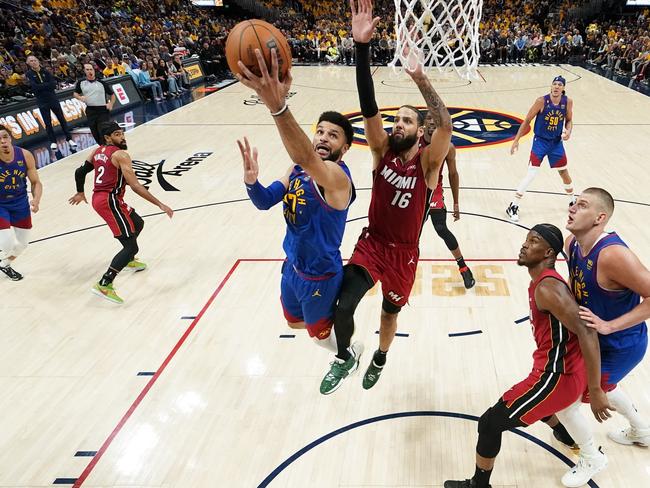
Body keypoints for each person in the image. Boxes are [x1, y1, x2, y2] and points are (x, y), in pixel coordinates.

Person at [319, 0, 453, 395]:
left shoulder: (428, 167)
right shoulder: (382, 152)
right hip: (372, 244)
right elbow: (368, 107)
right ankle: (345, 357)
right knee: (343, 306)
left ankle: (379, 356)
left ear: (419, 131)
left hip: (404, 254)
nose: (397, 125)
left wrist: (419, 77)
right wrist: (361, 49)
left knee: (389, 315)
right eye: (397, 120)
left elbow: (444, 123)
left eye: (406, 120)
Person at [444, 224, 612, 488]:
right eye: (526, 239)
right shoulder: (543, 283)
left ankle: (479, 485)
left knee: (489, 424)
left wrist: (595, 390)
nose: (524, 245)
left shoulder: (548, 288)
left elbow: (587, 334)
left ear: (548, 252)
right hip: (556, 370)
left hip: (558, 376)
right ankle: (566, 436)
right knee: (539, 408)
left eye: (533, 241)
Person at [237, 46, 357, 353]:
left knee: (318, 336)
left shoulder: (338, 179)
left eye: (333, 135)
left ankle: (346, 353)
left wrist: (277, 106)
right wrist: (252, 183)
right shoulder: (296, 169)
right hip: (292, 266)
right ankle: (332, 326)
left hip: (321, 276)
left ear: (344, 149)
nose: (323, 138)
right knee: (293, 322)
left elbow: (304, 154)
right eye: (320, 132)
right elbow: (265, 201)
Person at [554, 187, 650, 487]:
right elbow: (577, 284)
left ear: (599, 218)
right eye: (573, 202)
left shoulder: (613, 255)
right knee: (605, 387)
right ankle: (641, 431)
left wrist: (609, 326)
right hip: (593, 341)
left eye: (581, 205)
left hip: (622, 344)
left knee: (566, 401)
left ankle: (592, 457)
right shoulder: (571, 243)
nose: (572, 208)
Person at [68, 121, 173, 304]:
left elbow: (80, 171)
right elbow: (135, 185)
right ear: (108, 138)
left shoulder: (97, 151)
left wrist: (80, 191)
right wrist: (160, 204)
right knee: (131, 245)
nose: (122, 137)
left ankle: (129, 260)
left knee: (138, 223)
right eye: (117, 134)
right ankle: (105, 283)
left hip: (106, 198)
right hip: (109, 200)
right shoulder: (121, 155)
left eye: (122, 133)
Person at [506, 76, 575, 223]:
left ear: (563, 88)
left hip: (556, 143)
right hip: (540, 142)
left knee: (564, 172)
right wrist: (516, 140)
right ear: (551, 86)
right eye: (554, 84)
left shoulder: (567, 102)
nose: (556, 86)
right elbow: (527, 120)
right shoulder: (541, 101)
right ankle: (513, 205)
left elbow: (569, 120)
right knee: (531, 174)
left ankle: (572, 201)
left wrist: (568, 131)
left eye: (559, 85)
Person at [421, 111, 474, 289]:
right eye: (429, 118)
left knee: (441, 228)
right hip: (414, 188)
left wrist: (456, 203)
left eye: (436, 119)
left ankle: (463, 267)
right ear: (423, 123)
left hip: (434, 189)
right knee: (412, 231)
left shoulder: (448, 146)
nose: (432, 122)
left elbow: (453, 173)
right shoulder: (413, 141)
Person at [0, 125, 41, 281]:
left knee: (22, 244)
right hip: (1, 204)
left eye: (5, 137)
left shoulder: (25, 155)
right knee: (7, 243)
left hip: (20, 203)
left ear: (10, 138)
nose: (3, 141)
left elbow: (36, 182)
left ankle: (4, 264)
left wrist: (36, 200)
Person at [25, 55, 77, 151]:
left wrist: (41, 86)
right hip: (42, 101)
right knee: (48, 123)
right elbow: (34, 87)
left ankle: (69, 139)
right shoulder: (28, 74)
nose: (34, 62)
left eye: (35, 60)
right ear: (28, 63)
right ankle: (53, 141)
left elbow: (53, 84)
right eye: (31, 61)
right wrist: (45, 86)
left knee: (62, 119)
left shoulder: (46, 71)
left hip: (52, 99)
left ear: (38, 61)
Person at [73, 63, 116, 145]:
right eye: (87, 69)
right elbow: (75, 93)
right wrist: (80, 97)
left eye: (91, 69)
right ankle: (102, 147)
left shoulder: (101, 83)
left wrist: (111, 104)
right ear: (84, 71)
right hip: (90, 110)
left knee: (103, 130)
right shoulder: (81, 83)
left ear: (94, 70)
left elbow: (112, 94)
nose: (90, 71)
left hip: (102, 110)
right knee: (94, 132)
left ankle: (108, 148)